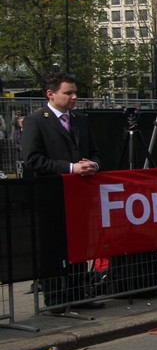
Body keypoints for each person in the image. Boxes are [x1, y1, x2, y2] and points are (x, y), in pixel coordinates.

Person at [21, 73, 103, 311]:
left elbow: (95, 151)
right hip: (51, 196)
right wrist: (70, 168)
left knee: (79, 245)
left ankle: (79, 293)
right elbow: (32, 159)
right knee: (53, 248)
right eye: (68, 93)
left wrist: (94, 165)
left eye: (75, 92)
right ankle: (56, 298)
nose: (74, 97)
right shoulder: (36, 121)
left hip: (79, 196)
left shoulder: (80, 120)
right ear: (51, 94)